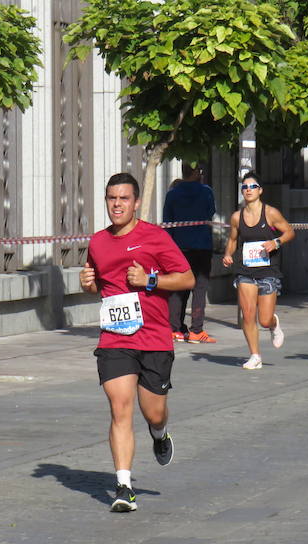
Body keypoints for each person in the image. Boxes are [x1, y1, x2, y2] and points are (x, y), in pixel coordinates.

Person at [80, 173, 195, 512]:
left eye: (124, 199)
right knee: (120, 408)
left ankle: (159, 434)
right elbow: (95, 282)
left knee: (153, 412)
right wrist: (87, 283)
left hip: (154, 338)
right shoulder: (98, 242)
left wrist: (150, 280)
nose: (117, 204)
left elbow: (186, 278)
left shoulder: (155, 237)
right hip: (115, 338)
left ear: (136, 202)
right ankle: (123, 486)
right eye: (112, 198)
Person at [222, 172, 295, 369]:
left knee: (263, 318)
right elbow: (233, 240)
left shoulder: (270, 213)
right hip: (245, 270)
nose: (248, 190)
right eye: (244, 187)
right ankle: (255, 355)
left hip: (267, 271)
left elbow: (289, 231)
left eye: (252, 186)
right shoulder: (237, 217)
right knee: (247, 314)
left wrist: (276, 242)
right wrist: (228, 254)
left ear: (260, 190)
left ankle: (273, 323)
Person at [163, 163, 217, 343]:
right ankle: (196, 330)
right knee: (199, 289)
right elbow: (211, 212)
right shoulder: (206, 192)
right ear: (197, 172)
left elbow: (167, 222)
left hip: (178, 248)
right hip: (202, 246)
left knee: (178, 289)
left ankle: (174, 329)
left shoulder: (172, 194)